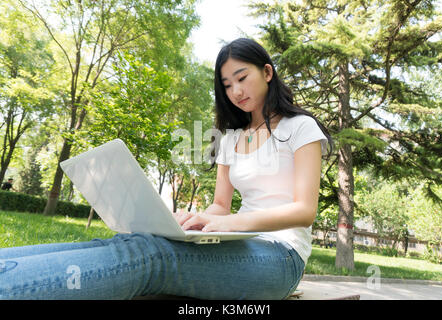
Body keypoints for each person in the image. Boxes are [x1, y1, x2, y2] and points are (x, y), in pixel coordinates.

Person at [0, 38, 333, 300]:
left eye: (242, 78)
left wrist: (225, 222)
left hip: (280, 258)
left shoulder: (300, 127)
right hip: (237, 242)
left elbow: (304, 211)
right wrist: (192, 221)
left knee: (150, 257)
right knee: (131, 240)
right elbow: (219, 204)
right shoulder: (231, 139)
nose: (236, 92)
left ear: (267, 72)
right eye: (227, 85)